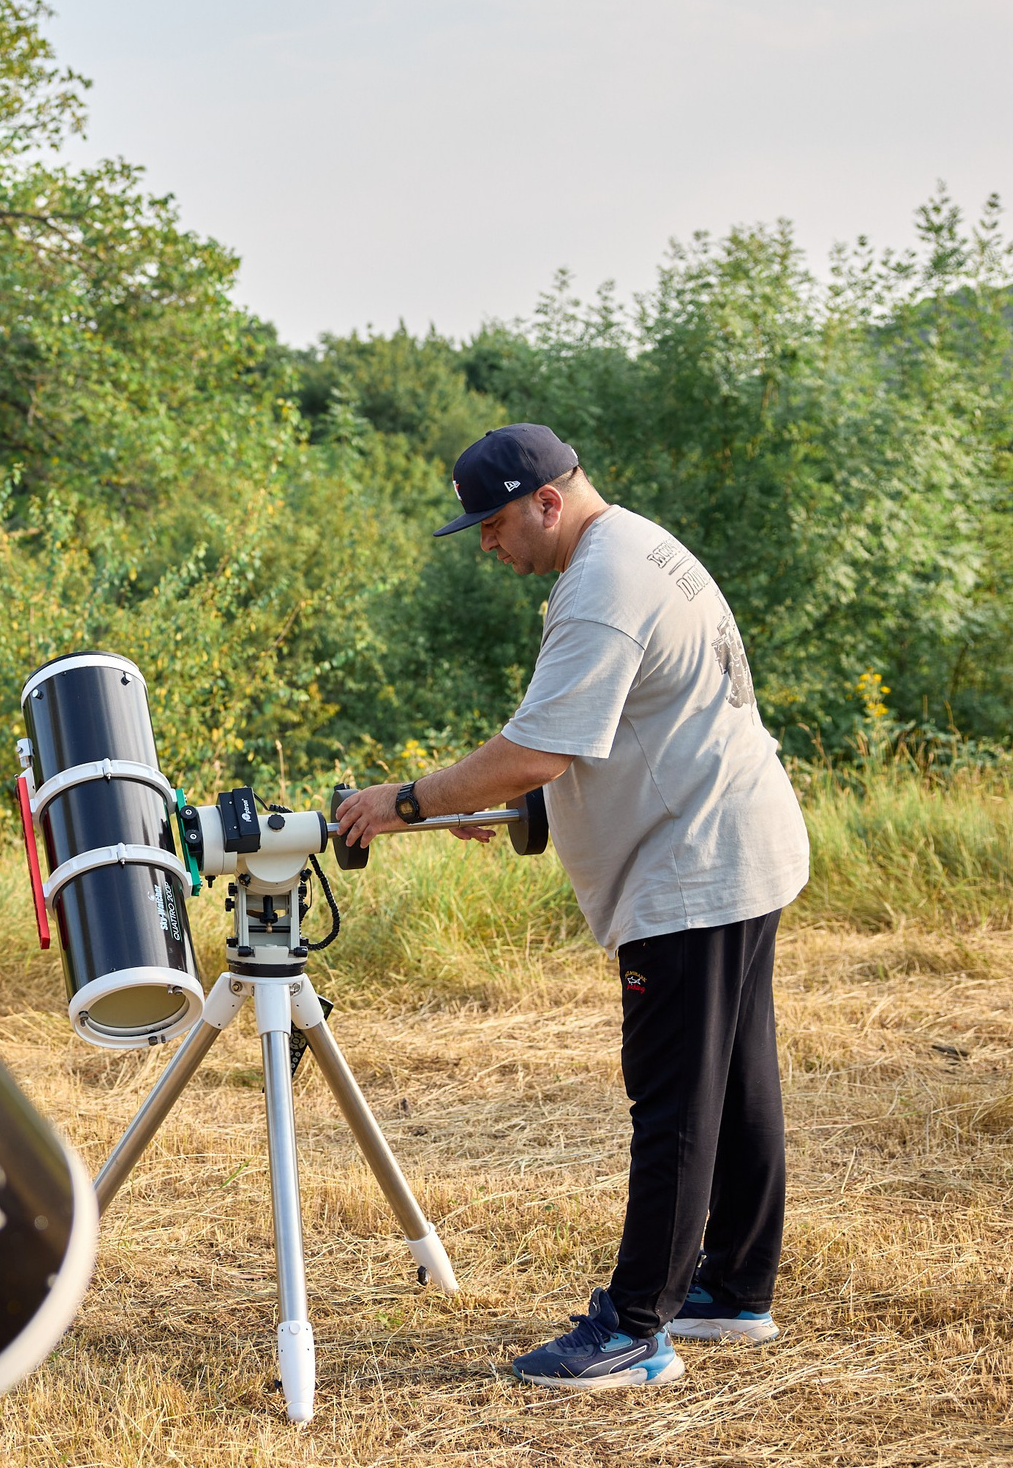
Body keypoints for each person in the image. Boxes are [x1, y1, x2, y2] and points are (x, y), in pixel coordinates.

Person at [334, 423, 809, 1392]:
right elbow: (612, 731)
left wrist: (407, 800)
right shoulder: (632, 545)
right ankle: (735, 1288)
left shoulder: (599, 588)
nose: (485, 545)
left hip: (691, 869)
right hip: (739, 840)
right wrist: (503, 800)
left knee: (674, 1100)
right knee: (733, 1079)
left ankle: (636, 1329)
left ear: (548, 501)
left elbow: (535, 751)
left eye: (494, 522)